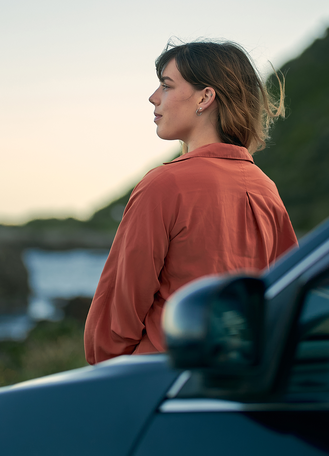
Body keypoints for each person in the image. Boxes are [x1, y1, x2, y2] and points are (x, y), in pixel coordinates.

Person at [84, 40, 298, 365]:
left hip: (161, 381)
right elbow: (286, 300)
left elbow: (117, 315)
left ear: (205, 97)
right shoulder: (266, 189)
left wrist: (108, 373)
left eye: (166, 86)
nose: (154, 97)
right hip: (238, 384)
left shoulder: (165, 184)